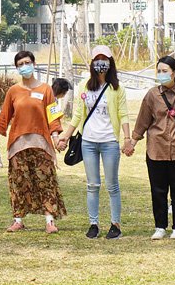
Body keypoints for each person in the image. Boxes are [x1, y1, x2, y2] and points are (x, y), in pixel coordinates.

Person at [56, 45, 131, 240]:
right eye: (96, 59)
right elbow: (78, 115)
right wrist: (66, 135)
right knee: (92, 185)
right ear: (91, 62)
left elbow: (123, 114)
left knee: (112, 185)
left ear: (110, 62)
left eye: (104, 59)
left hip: (109, 142)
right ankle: (93, 224)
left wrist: (127, 138)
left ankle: (115, 225)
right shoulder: (83, 86)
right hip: (88, 141)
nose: (100, 63)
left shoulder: (117, 87)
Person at [0, 51, 65, 233]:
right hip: (18, 143)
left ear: (34, 64)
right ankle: (18, 220)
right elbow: (3, 118)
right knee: (18, 182)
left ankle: (49, 220)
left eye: (27, 62)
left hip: (41, 142)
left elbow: (53, 116)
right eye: (21, 63)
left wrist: (56, 138)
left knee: (45, 180)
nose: (25, 66)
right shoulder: (13, 91)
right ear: (17, 67)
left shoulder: (46, 89)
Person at [125, 56, 175, 239]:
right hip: (156, 148)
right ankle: (160, 226)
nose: (161, 74)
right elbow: (143, 121)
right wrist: (133, 141)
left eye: (165, 71)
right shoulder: (152, 94)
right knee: (158, 190)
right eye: (159, 71)